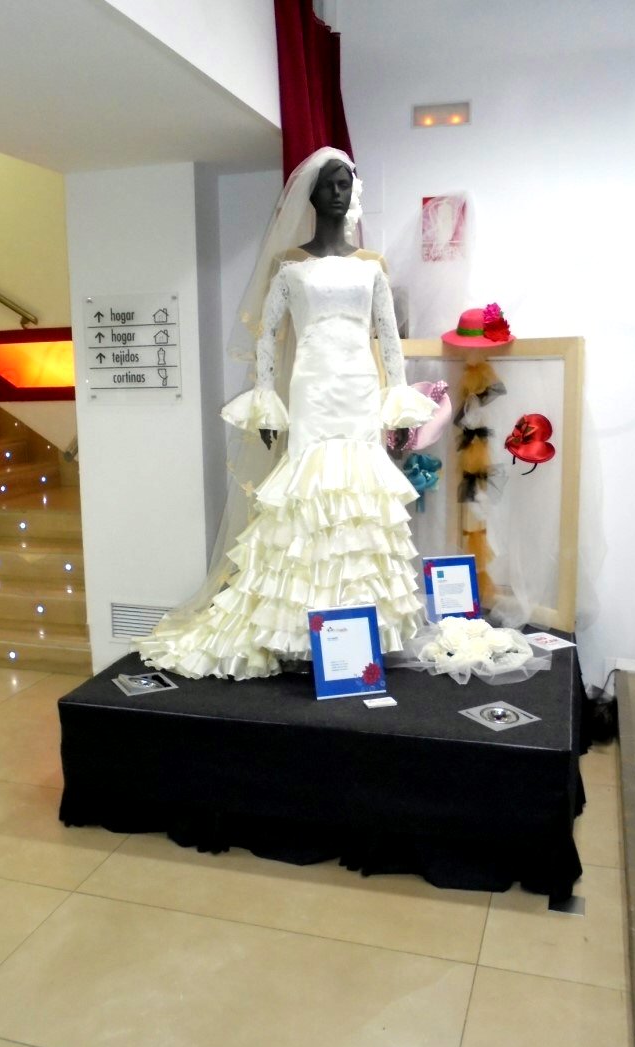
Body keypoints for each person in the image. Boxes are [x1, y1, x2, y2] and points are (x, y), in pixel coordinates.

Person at [137, 147, 436, 679]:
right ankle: (299, 629)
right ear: (311, 194)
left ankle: (359, 628)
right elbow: (268, 335)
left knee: (359, 498)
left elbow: (388, 337)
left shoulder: (372, 266)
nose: (340, 192)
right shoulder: (290, 265)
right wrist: (266, 402)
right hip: (313, 390)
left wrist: (397, 396)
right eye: (331, 184)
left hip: (359, 389)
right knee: (309, 494)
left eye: (346, 184)